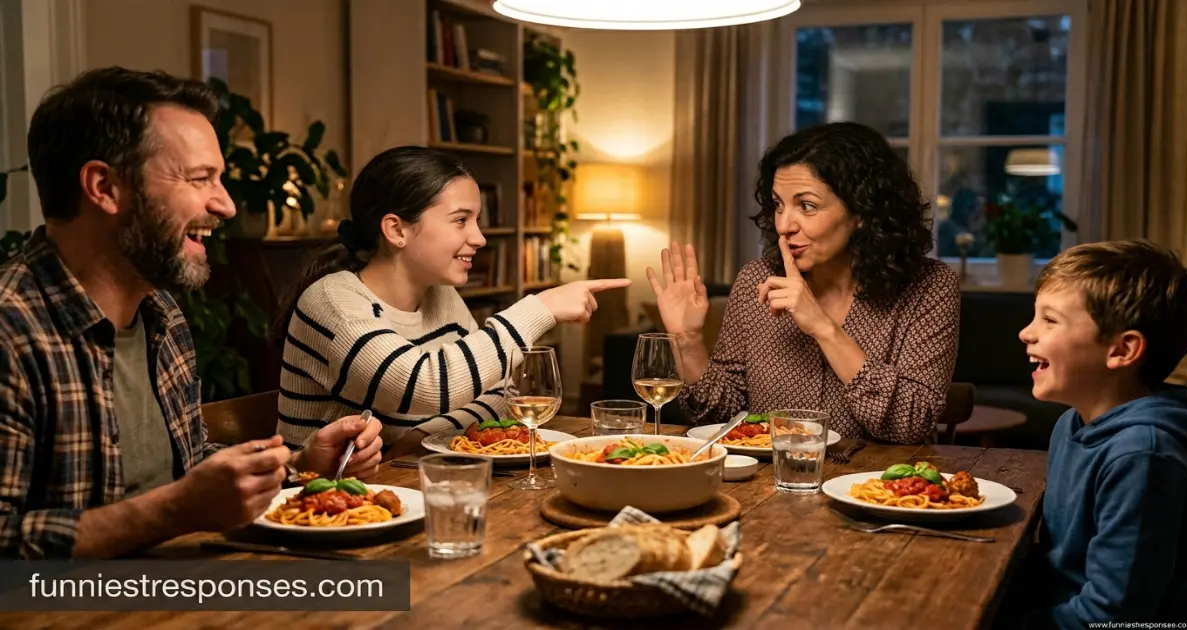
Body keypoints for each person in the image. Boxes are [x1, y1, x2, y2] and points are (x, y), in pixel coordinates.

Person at [0, 67, 383, 560]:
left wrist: (299, 467)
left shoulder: (162, 313)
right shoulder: (11, 331)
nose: (224, 205)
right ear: (104, 186)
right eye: (200, 178)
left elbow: (185, 470)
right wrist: (173, 511)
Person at [273, 146, 630, 456]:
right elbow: (420, 386)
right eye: (461, 220)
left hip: (402, 485)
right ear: (396, 230)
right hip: (315, 509)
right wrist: (540, 309)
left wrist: (426, 434)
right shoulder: (333, 302)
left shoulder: (440, 295)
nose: (479, 238)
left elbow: (498, 389)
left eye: (476, 220)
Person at [649, 121, 959, 444]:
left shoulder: (930, 288)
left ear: (862, 211)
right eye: (778, 205)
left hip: (877, 490)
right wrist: (688, 341)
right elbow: (722, 418)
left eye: (807, 206)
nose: (783, 224)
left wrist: (823, 328)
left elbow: (912, 425)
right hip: (768, 488)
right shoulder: (757, 281)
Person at [1015, 240, 1187, 626]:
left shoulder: (1142, 456)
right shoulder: (1073, 423)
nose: (1025, 333)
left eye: (1050, 320)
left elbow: (1113, 615)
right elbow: (1061, 563)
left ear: (1122, 350)